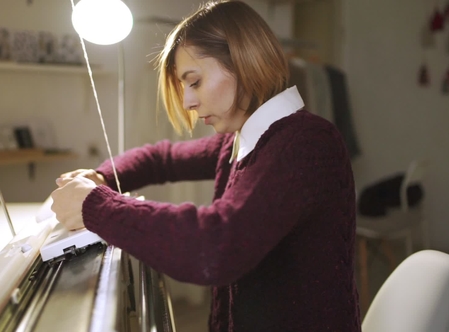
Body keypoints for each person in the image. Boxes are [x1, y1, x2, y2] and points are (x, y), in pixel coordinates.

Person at [51, 1, 361, 331]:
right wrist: (103, 175)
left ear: (243, 62)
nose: (187, 101)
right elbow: (162, 159)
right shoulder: (243, 140)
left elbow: (216, 247)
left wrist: (95, 205)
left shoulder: (305, 144)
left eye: (194, 82)